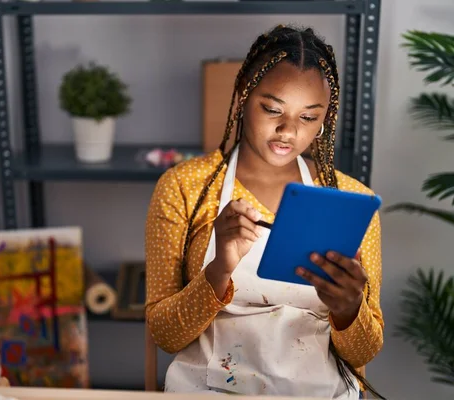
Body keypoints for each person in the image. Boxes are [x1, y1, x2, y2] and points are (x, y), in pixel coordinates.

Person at [144, 24, 385, 399]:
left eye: (308, 117)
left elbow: (363, 353)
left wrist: (349, 309)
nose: (288, 131)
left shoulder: (349, 199)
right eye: (272, 109)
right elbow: (164, 336)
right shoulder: (185, 187)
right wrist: (218, 271)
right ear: (242, 97)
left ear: (324, 120)